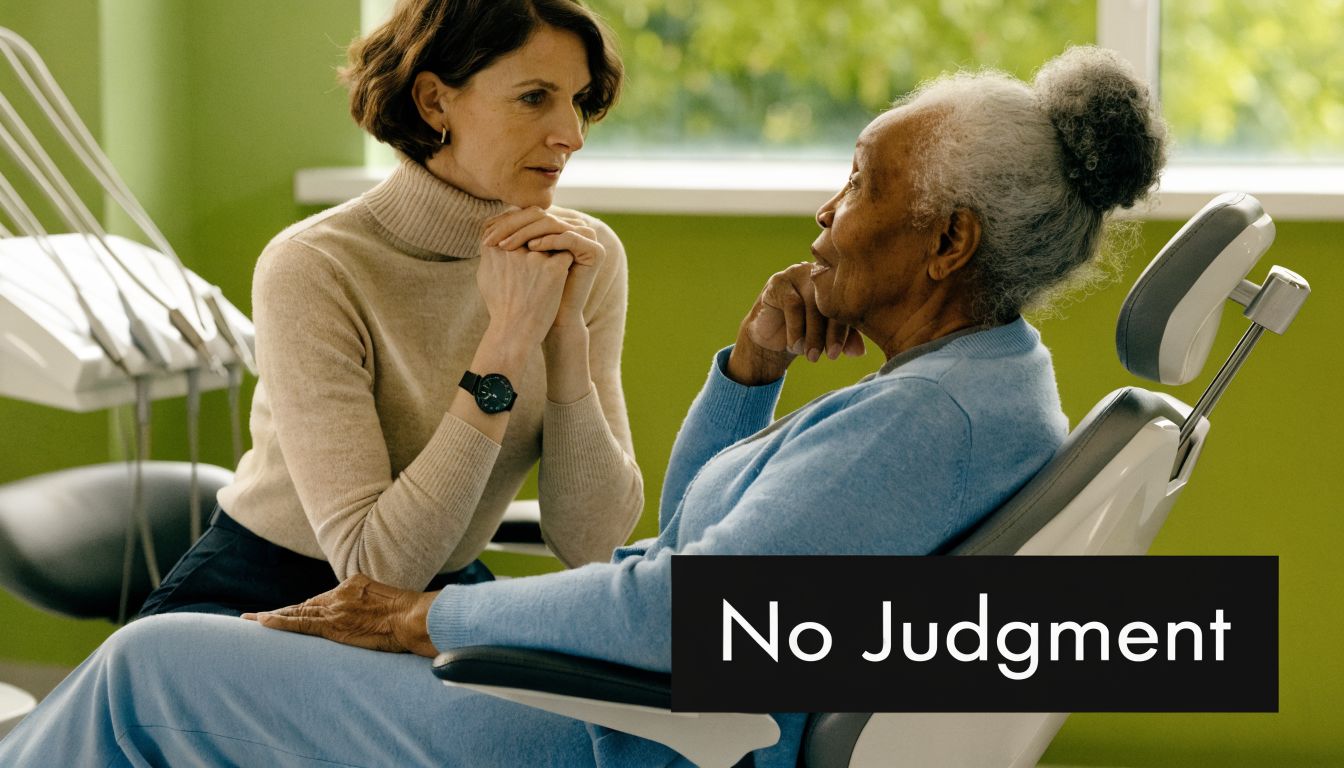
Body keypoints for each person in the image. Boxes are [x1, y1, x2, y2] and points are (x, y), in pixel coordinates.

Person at [0, 46, 1166, 766]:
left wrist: (427, 623)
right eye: (535, 99)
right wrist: (749, 369)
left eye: (862, 181)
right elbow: (694, 545)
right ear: (435, 104)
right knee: (169, 669)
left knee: (149, 671)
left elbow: (681, 607)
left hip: (615, 733)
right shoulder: (976, 385)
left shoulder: (927, 422)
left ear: (947, 241)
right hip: (639, 703)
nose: (827, 207)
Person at [137, 0, 643, 617]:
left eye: (579, 100)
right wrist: (509, 340)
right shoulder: (313, 266)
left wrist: (563, 335)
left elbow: (596, 545)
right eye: (534, 97)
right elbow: (375, 570)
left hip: (434, 591)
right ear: (435, 103)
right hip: (264, 596)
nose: (572, 134)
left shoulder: (585, 258)